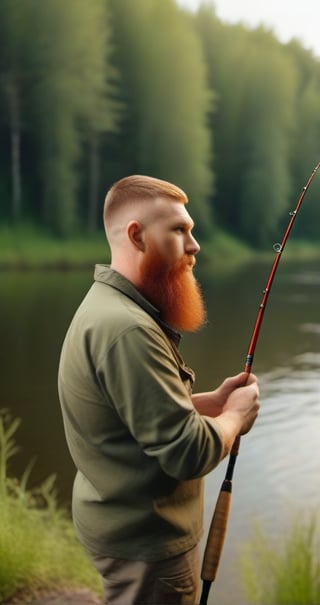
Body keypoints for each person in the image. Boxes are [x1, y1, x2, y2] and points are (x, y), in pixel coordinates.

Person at [58, 175, 259, 605]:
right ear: (137, 236)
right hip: (146, 546)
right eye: (179, 231)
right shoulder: (128, 330)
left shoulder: (109, 307)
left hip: (121, 527)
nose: (195, 245)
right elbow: (187, 452)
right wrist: (235, 417)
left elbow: (133, 419)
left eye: (192, 230)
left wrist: (211, 404)